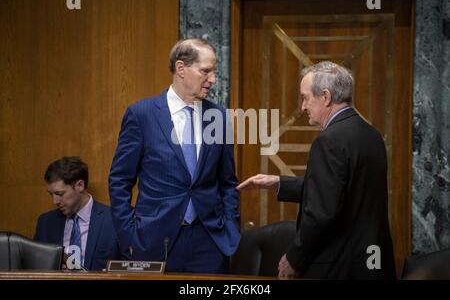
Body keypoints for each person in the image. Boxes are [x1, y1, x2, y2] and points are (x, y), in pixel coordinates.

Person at [237, 61, 396, 279]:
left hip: (339, 267)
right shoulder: (372, 135)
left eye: (305, 97)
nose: (302, 107)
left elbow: (322, 212)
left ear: (326, 97)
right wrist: (279, 182)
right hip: (372, 263)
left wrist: (294, 258)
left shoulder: (328, 140)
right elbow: (343, 189)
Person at [108, 38, 240, 273]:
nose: (213, 79)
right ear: (181, 68)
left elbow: (227, 181)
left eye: (213, 72)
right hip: (154, 241)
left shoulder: (218, 116)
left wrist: (230, 226)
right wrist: (128, 234)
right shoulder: (142, 114)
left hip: (209, 241)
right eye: (205, 71)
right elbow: (120, 181)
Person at [35, 156, 121, 271]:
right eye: (51, 194)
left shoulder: (114, 220)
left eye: (60, 194)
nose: (55, 201)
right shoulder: (45, 223)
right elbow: (35, 267)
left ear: (79, 185)